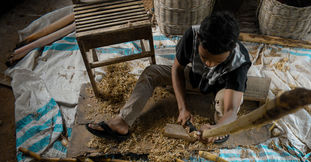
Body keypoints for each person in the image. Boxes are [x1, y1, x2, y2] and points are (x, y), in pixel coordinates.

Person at [86, 12, 251, 143]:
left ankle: (218, 130)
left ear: (231, 49)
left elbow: (231, 110)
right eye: (204, 57)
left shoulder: (239, 60)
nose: (208, 64)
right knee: (152, 72)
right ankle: (122, 121)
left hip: (221, 89)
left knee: (225, 111)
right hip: (195, 78)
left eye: (216, 61)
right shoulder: (193, 35)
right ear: (200, 39)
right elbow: (177, 69)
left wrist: (218, 128)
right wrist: (182, 108)